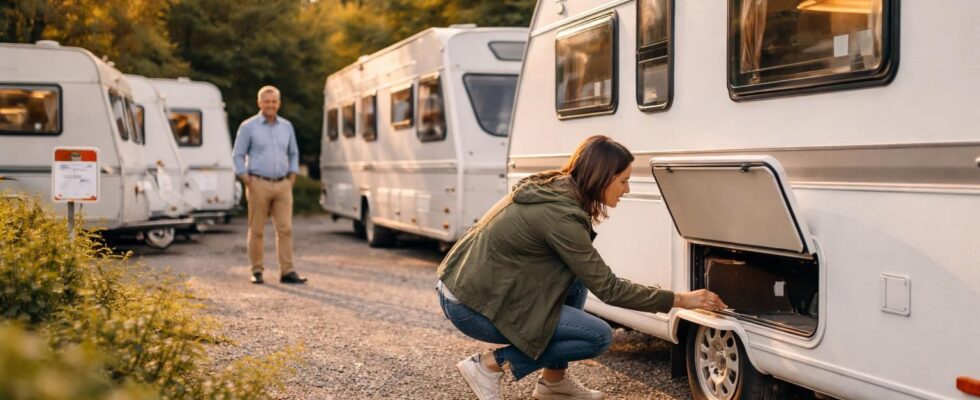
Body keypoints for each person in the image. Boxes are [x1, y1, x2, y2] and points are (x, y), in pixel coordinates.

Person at [436, 135, 727, 400]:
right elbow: (610, 290)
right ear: (601, 177)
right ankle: (489, 366)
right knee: (597, 336)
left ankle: (553, 383)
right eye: (623, 181)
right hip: (471, 306)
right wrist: (680, 300)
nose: (626, 189)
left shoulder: (556, 190)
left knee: (575, 280)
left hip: (470, 289)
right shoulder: (560, 215)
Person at [232, 85, 307, 285]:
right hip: (258, 184)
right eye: (266, 101)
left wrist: (292, 176)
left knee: (285, 229)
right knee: (256, 230)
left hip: (283, 184)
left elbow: (293, 153)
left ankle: (287, 271)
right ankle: (256, 271)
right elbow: (237, 155)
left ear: (279, 103)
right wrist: (245, 177)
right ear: (259, 103)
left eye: (274, 101)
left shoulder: (287, 126)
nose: (270, 105)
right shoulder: (248, 126)